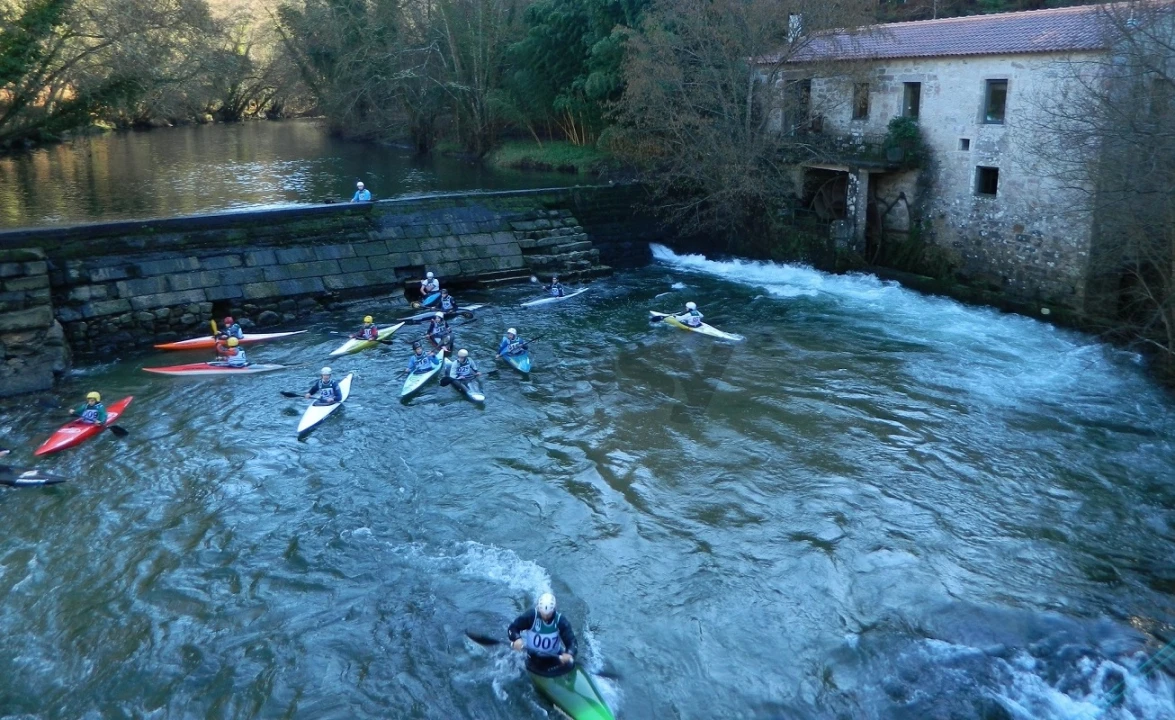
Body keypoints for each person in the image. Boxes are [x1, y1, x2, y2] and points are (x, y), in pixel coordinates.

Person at [507, 592, 578, 677]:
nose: (545, 617)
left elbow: (572, 641)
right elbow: (513, 628)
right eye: (543, 614)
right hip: (534, 657)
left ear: (554, 609)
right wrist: (516, 638)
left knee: (570, 662)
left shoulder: (561, 621)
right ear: (539, 608)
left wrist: (569, 653)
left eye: (548, 614)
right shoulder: (531, 616)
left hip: (555, 656)